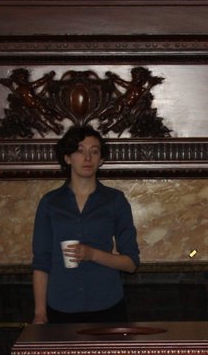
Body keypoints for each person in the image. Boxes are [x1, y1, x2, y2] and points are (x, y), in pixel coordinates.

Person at [31, 125, 139, 324]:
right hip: (60, 307)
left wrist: (92, 254)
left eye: (94, 151)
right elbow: (41, 262)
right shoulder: (50, 203)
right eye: (80, 151)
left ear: (101, 159)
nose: (87, 158)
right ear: (67, 158)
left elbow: (131, 264)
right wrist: (40, 313)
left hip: (107, 307)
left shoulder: (115, 200)